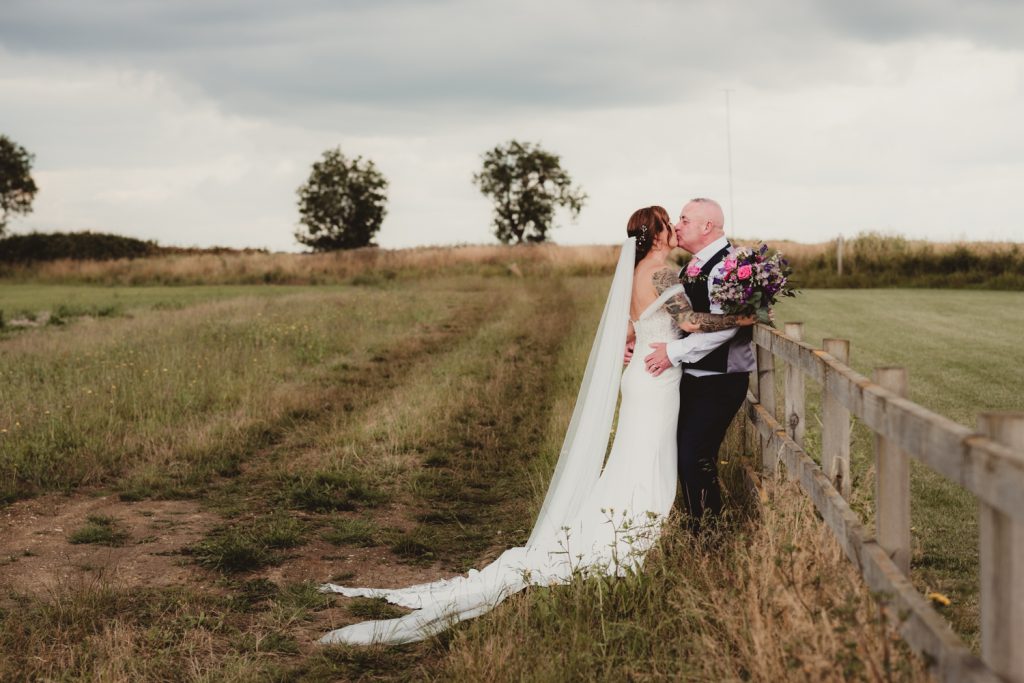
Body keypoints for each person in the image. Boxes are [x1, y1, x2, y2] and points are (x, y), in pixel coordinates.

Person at [318, 205, 754, 645]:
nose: (676, 227)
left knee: (635, 456)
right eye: (669, 221)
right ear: (658, 233)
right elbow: (689, 323)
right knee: (645, 459)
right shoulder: (662, 273)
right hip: (657, 381)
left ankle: (623, 530)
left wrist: (638, 345)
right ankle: (623, 541)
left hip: (644, 373)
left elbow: (632, 327)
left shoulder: (636, 271)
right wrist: (744, 318)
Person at [644, 198, 756, 534]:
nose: (678, 225)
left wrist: (673, 352)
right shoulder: (693, 265)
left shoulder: (727, 267)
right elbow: (688, 319)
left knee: (694, 455)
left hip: (720, 379)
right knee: (687, 454)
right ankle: (699, 526)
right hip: (693, 377)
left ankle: (710, 534)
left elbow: (725, 328)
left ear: (707, 226)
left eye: (685, 219)